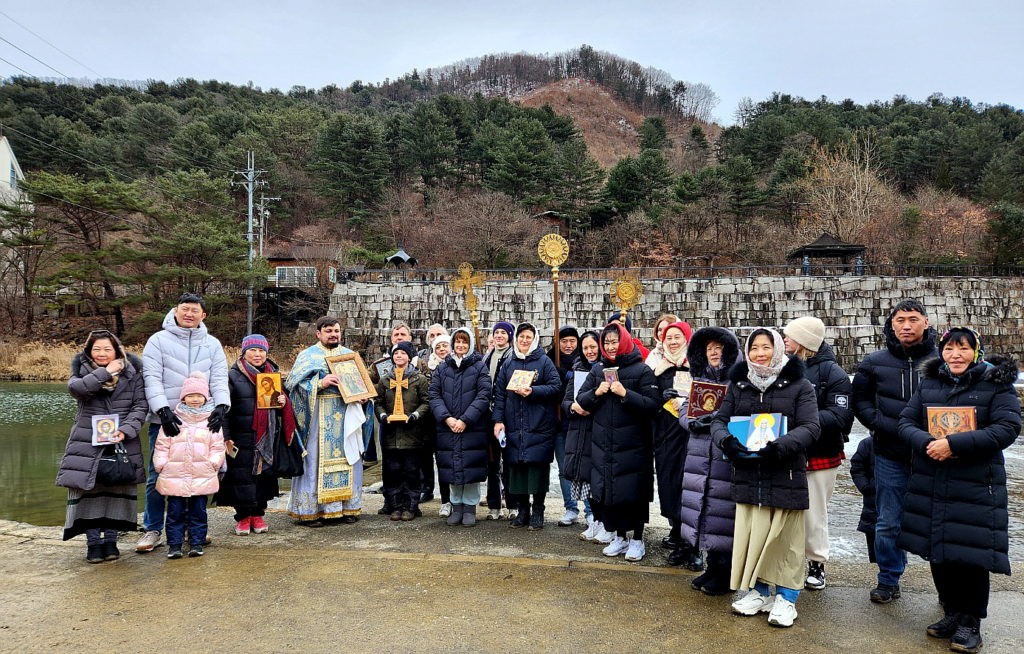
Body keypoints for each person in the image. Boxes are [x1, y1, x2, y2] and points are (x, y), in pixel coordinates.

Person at [897, 327, 1020, 653]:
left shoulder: (996, 385)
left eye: (963, 348)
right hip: (932, 479)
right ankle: (952, 613)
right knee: (939, 550)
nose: (955, 355)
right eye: (949, 348)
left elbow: (1008, 428)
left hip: (977, 483)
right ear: (941, 352)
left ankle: (971, 622)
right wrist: (929, 443)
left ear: (976, 352)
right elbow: (906, 423)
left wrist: (954, 444)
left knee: (971, 554)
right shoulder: (930, 383)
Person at [711, 328, 820, 628]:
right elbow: (720, 420)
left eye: (766, 347)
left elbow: (811, 427)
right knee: (753, 537)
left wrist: (780, 446)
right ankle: (759, 591)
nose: (760, 353)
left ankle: (786, 597)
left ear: (779, 349)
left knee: (786, 541)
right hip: (748, 473)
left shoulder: (800, 385)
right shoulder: (739, 385)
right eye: (754, 347)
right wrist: (727, 441)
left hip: (784, 472)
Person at [851, 299, 937, 604]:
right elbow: (859, 400)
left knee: (939, 520)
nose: (906, 325)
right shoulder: (874, 362)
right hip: (889, 452)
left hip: (935, 453)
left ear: (926, 322)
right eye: (899, 320)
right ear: (891, 324)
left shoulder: (944, 359)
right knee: (888, 520)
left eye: (913, 319)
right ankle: (888, 578)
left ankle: (947, 587)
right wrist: (880, 424)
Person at [137, 293, 230, 553]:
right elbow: (152, 378)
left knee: (199, 472)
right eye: (184, 309)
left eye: (195, 310)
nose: (189, 314)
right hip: (168, 420)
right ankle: (153, 528)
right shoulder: (158, 341)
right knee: (159, 472)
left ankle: (193, 529)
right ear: (176, 311)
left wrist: (222, 405)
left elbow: (220, 378)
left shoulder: (212, 344)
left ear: (203, 315)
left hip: (202, 421)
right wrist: (162, 410)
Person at [57, 330, 148, 563]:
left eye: (107, 349)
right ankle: (93, 543)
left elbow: (140, 406)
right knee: (90, 488)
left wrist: (126, 430)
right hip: (88, 439)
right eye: (96, 349)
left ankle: (111, 541)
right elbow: (78, 390)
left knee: (118, 488)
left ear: (117, 351)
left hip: (121, 439)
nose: (102, 353)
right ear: (89, 351)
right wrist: (104, 372)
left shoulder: (133, 373)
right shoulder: (82, 372)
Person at [576, 322, 661, 562]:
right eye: (607, 342)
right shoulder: (598, 370)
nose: (611, 346)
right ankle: (620, 537)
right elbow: (582, 399)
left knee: (634, 493)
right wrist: (597, 393)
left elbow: (653, 405)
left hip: (634, 445)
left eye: (615, 341)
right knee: (612, 493)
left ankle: (637, 540)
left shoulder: (642, 370)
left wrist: (626, 394)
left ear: (624, 341)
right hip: (605, 444)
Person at [782, 316, 854, 591]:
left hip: (821, 453)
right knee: (786, 510)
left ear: (804, 341)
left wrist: (801, 419)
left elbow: (841, 414)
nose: (785, 339)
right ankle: (789, 561)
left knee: (814, 513)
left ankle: (816, 564)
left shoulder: (832, 373)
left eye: (790, 335)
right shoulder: (783, 367)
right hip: (789, 450)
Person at [287, 317, 370, 526]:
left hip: (346, 414)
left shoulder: (349, 356)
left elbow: (362, 384)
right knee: (315, 459)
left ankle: (346, 507)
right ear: (318, 334)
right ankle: (312, 510)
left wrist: (363, 396)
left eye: (336, 331)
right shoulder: (307, 356)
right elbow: (293, 385)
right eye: (328, 331)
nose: (333, 334)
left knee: (349, 456)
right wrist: (320, 383)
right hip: (317, 415)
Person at [679, 326, 742, 595]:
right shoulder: (699, 378)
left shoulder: (740, 380)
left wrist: (717, 422)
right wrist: (692, 422)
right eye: (709, 348)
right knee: (704, 510)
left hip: (724, 454)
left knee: (724, 513)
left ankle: (727, 573)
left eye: (719, 347)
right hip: (699, 452)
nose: (714, 352)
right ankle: (713, 567)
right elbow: (684, 407)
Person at [217, 334, 296, 536]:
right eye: (253, 350)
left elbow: (282, 406)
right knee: (241, 477)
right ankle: (243, 517)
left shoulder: (273, 374)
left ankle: (258, 514)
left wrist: (282, 403)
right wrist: (225, 436)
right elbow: (223, 409)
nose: (258, 354)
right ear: (244, 352)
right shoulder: (232, 376)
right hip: (240, 435)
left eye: (261, 350)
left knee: (264, 478)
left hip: (266, 436)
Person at [492, 322, 562, 530]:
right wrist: (498, 420)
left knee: (537, 469)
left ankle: (538, 511)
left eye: (528, 337)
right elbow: (500, 395)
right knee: (517, 469)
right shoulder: (509, 363)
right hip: (514, 425)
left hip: (538, 424)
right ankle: (523, 511)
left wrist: (534, 391)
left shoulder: (543, 362)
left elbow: (556, 387)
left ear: (534, 339)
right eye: (521, 337)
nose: (524, 340)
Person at [154, 372, 226, 559]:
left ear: (206, 397)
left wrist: (214, 464)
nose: (195, 399)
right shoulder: (173, 421)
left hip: (202, 474)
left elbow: (218, 447)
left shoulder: (211, 421)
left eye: (199, 396)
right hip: (174, 474)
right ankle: (174, 545)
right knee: (174, 512)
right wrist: (161, 464)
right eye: (190, 395)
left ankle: (196, 542)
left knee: (198, 512)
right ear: (183, 397)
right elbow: (162, 445)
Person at [429, 328, 492, 527]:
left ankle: (470, 508)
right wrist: (447, 418)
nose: (461, 346)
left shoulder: (479, 367)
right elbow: (434, 395)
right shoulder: (442, 368)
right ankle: (456, 506)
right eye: (457, 342)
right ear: (452, 344)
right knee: (452, 466)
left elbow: (484, 395)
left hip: (472, 427)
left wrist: (465, 420)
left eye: (464, 342)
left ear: (470, 344)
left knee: (470, 467)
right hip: (448, 427)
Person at [651, 321, 696, 566]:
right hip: (666, 435)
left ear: (686, 338)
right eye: (669, 338)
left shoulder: (696, 367)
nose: (673, 341)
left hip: (691, 436)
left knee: (692, 488)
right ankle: (678, 539)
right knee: (669, 485)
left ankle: (695, 547)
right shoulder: (658, 369)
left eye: (677, 337)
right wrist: (660, 398)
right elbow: (649, 401)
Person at [375, 341, 431, 521]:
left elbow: (426, 402)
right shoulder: (385, 380)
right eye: (396, 353)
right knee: (393, 472)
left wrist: (415, 415)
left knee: (412, 471)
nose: (399, 356)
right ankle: (396, 506)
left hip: (412, 435)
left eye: (402, 353)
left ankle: (411, 506)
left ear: (409, 357)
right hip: (391, 435)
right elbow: (378, 403)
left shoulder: (419, 379)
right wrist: (383, 416)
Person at [561, 331, 601, 541]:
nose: (589, 351)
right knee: (585, 478)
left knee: (598, 477)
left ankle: (600, 520)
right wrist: (575, 407)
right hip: (580, 428)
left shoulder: (607, 369)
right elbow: (566, 400)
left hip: (599, 429)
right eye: (585, 348)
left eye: (593, 347)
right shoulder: (577, 368)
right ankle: (593, 520)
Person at [548, 324, 583, 526]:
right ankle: (570, 507)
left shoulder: (584, 361)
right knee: (563, 468)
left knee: (584, 467)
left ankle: (589, 509)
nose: (568, 345)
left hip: (579, 422)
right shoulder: (550, 360)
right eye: (564, 341)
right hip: (558, 422)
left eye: (572, 341)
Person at [483, 320, 515, 520]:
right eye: (497, 332)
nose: (499, 336)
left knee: (509, 462)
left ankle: (513, 505)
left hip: (507, 416)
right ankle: (494, 506)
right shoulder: (487, 357)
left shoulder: (513, 357)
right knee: (492, 462)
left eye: (503, 332)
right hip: (487, 415)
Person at [425, 334, 454, 517]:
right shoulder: (427, 368)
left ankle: (459, 500)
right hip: (433, 422)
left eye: (445, 345)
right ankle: (445, 500)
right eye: (438, 347)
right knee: (442, 462)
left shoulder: (457, 365)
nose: (442, 349)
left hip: (454, 420)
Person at [849, 437, 877, 564]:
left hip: (898, 506)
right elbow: (856, 467)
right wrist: (865, 487)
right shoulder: (867, 444)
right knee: (874, 548)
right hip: (871, 506)